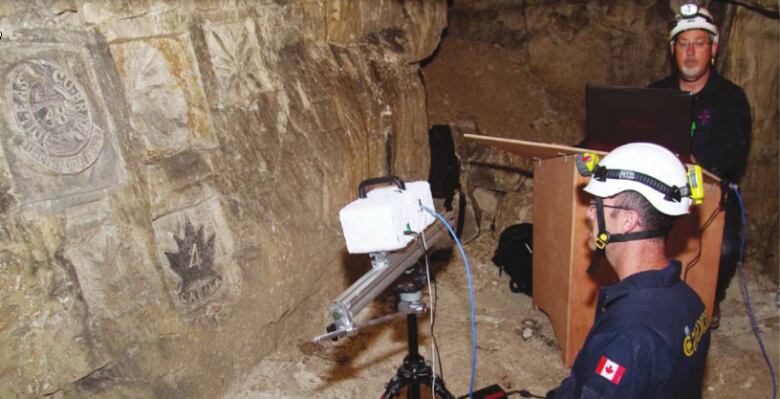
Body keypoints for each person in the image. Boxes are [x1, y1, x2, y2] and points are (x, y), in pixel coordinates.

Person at [547, 143, 711, 398]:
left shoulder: (629, 336)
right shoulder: (689, 301)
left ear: (628, 220)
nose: (590, 213)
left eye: (599, 203)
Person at [648, 3, 751, 329]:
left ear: (714, 49)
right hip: (658, 188)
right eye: (683, 43)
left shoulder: (731, 99)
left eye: (699, 43)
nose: (691, 52)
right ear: (672, 49)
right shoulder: (656, 94)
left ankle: (711, 298)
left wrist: (696, 163)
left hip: (710, 192)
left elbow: (732, 156)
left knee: (727, 245)